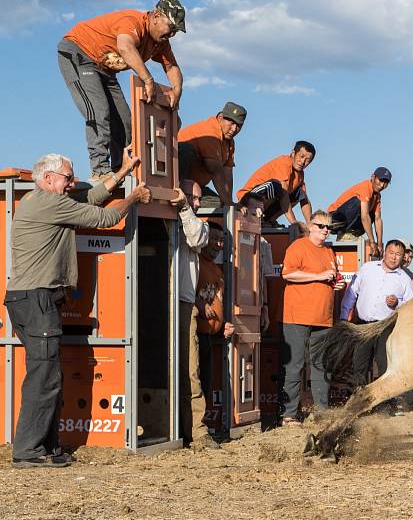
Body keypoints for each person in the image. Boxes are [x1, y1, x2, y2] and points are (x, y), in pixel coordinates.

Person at [5, 151, 150, 468]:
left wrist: (124, 170)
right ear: (48, 179)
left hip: (32, 299)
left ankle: (45, 448)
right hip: (36, 299)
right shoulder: (49, 202)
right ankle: (27, 451)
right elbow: (105, 217)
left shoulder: (45, 200)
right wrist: (135, 198)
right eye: (68, 178)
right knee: (44, 376)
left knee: (49, 374)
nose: (72, 183)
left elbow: (92, 197)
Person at [57, 0, 186, 181]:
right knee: (99, 111)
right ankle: (100, 170)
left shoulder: (161, 42)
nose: (172, 34)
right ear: (156, 16)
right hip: (80, 54)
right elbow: (125, 47)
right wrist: (148, 80)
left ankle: (120, 169)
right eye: (171, 27)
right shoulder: (132, 22)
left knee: (125, 120)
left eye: (175, 31)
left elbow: (172, 66)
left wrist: (177, 89)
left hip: (105, 70)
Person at [280, 210, 345, 425]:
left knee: (321, 366)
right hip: (297, 316)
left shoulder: (329, 251)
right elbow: (287, 274)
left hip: (323, 318)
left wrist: (336, 284)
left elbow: (328, 278)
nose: (326, 231)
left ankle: (322, 412)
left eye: (328, 227)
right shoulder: (298, 247)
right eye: (321, 226)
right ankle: (289, 414)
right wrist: (318, 276)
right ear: (310, 226)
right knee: (295, 365)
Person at [169, 179, 217, 450]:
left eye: (197, 199)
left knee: (190, 369)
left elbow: (197, 237)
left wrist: (186, 209)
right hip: (158, 302)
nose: (197, 203)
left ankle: (197, 433)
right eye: (193, 197)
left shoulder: (194, 222)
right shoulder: (166, 218)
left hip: (185, 302)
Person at [339, 240, 413, 386]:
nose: (394, 257)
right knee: (359, 365)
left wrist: (397, 303)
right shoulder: (367, 268)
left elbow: (411, 305)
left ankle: (387, 403)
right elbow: (351, 293)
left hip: (386, 327)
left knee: (385, 365)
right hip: (363, 326)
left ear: (402, 257)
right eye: (391, 253)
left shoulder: (404, 279)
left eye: (398, 254)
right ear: (385, 252)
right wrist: (343, 316)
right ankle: (360, 403)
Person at [195, 222, 235, 440]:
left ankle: (203, 426)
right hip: (195, 334)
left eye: (222, 240)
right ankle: (194, 430)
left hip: (211, 336)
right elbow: (181, 293)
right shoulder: (195, 264)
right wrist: (199, 305)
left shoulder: (217, 269)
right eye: (215, 239)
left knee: (207, 384)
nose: (219, 244)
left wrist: (222, 327)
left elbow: (216, 301)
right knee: (196, 383)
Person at [177, 102, 246, 207]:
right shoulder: (210, 132)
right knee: (186, 149)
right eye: (231, 123)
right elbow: (215, 170)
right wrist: (228, 203)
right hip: (178, 180)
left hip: (196, 187)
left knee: (219, 204)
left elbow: (227, 173)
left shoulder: (229, 142)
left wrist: (229, 202)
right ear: (220, 117)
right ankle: (178, 192)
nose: (234, 129)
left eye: (238, 126)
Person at [236, 141, 316, 225]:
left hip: (264, 205)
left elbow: (304, 200)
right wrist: (294, 222)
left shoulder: (300, 174)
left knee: (299, 192)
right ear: (293, 153)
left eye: (308, 160)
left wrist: (311, 225)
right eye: (301, 156)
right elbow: (283, 194)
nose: (303, 162)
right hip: (248, 199)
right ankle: (256, 214)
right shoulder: (284, 162)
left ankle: (267, 219)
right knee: (276, 186)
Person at [328, 167, 391, 257]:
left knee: (372, 212)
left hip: (351, 221)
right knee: (360, 204)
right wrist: (372, 241)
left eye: (386, 183)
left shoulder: (377, 196)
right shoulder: (365, 187)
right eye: (380, 181)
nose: (382, 185)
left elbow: (378, 220)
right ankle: (345, 234)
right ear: (373, 177)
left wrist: (380, 244)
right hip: (334, 219)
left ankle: (352, 233)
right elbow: (364, 217)